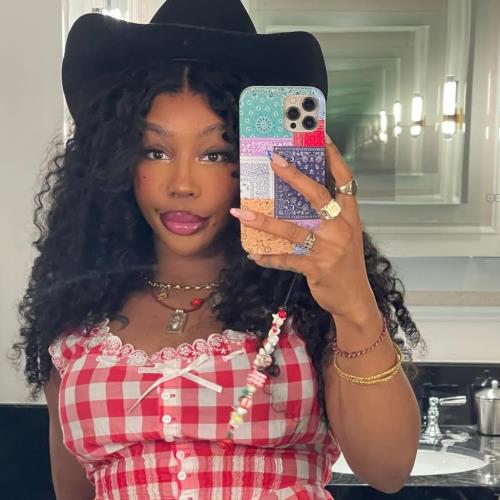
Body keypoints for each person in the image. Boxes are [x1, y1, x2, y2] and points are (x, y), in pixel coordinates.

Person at [13, 0, 426, 498]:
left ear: (256, 163)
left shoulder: (308, 303)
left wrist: (355, 302)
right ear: (117, 161)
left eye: (215, 153)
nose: (182, 184)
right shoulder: (76, 322)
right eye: (156, 151)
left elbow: (388, 469)